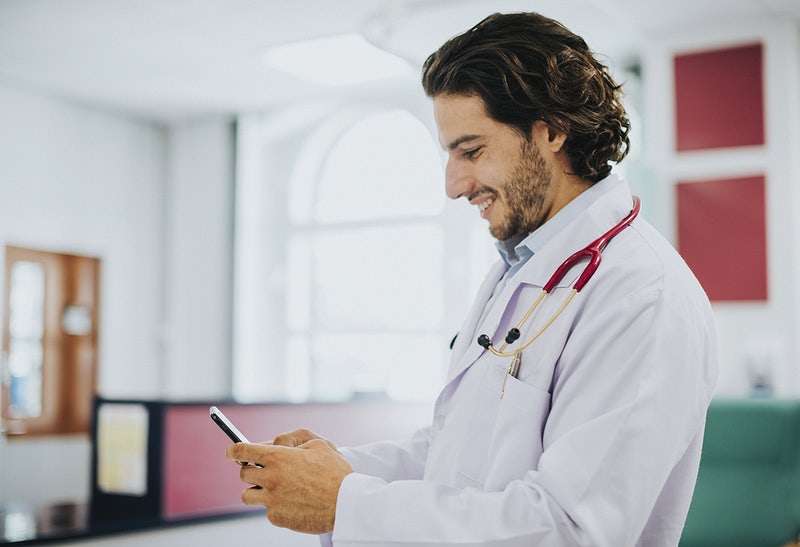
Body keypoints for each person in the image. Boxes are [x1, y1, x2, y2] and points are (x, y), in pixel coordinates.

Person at [226, 11, 718, 547]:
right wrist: (337, 469)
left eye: (472, 150)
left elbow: (568, 531)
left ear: (551, 129)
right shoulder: (521, 270)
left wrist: (347, 502)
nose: (454, 185)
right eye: (450, 154)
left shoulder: (641, 295)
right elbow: (456, 456)